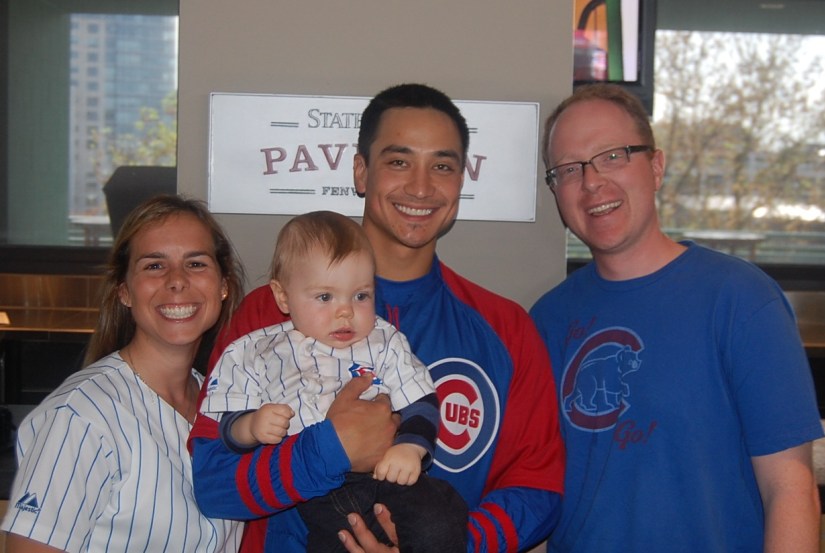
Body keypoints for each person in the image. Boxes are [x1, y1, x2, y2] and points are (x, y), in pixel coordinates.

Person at [189, 83, 566, 552]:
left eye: (442, 166)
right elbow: (212, 485)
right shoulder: (268, 314)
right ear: (361, 171)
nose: (421, 186)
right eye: (399, 161)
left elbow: (539, 485)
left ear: (460, 181)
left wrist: (450, 546)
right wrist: (328, 450)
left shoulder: (506, 329)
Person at [530, 83, 825, 552]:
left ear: (656, 167)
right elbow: (540, 491)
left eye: (612, 156)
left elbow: (790, 490)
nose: (590, 182)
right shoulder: (546, 319)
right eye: (568, 169)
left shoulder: (741, 301)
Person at [200, 210, 467, 552]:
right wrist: (250, 426)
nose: (345, 311)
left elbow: (422, 401)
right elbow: (227, 426)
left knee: (441, 521)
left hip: (388, 475)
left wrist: (411, 447)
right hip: (313, 496)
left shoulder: (385, 341)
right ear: (283, 297)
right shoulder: (255, 351)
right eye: (325, 297)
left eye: (361, 296)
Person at [1, 195, 246, 552]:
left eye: (195, 263)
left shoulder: (228, 406)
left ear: (223, 285)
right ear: (125, 292)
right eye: (154, 266)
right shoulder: (80, 416)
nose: (177, 281)